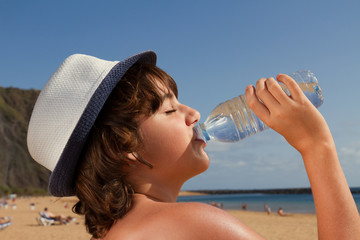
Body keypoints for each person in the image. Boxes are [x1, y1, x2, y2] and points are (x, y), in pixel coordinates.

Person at [27, 51, 360, 239]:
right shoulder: (192, 224)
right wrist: (317, 146)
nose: (195, 114)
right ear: (122, 144)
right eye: (170, 109)